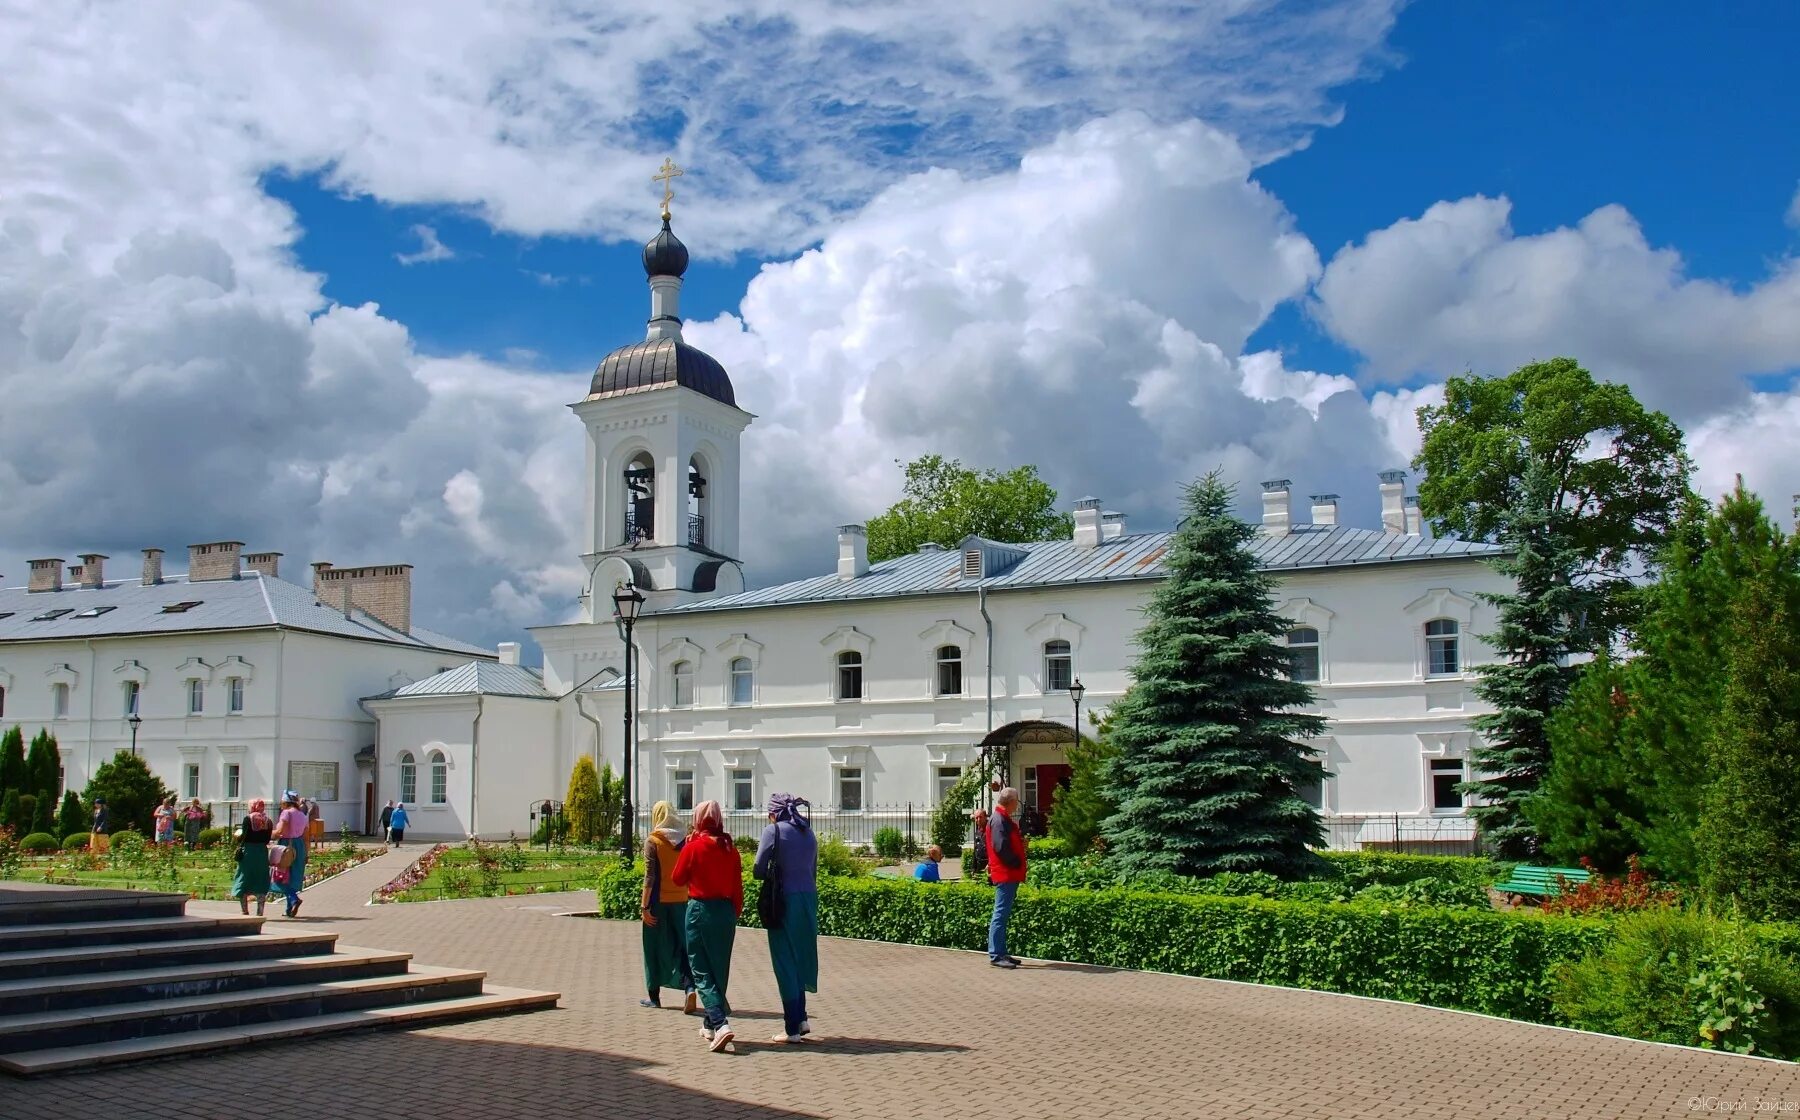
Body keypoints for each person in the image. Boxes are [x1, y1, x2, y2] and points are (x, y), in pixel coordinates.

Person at [672, 800, 743, 1053]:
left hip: (700, 909)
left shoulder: (695, 846)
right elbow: (738, 888)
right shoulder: (730, 848)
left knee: (700, 970)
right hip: (725, 912)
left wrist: (689, 846)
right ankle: (710, 1024)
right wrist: (731, 914)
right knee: (719, 969)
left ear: (698, 819)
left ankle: (721, 1024)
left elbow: (677, 877)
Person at [754, 793, 820, 1044]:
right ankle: (802, 1018)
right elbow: (813, 869)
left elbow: (759, 870)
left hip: (783, 901)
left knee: (784, 960)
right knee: (802, 955)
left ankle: (791, 1028)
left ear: (774, 813)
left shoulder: (774, 831)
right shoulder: (808, 831)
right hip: (807, 898)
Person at [639, 801, 697, 1013]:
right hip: (682, 900)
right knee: (682, 947)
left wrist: (644, 906)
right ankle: (689, 987)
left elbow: (650, 877)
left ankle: (654, 996)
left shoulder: (653, 841)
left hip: (657, 902)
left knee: (653, 947)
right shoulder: (685, 841)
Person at [985, 787, 1028, 969]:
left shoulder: (1001, 818)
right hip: (1006, 873)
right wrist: (1017, 862)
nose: (1017, 805)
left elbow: (1004, 843)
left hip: (1008, 873)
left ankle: (1001, 952)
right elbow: (1000, 847)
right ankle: (996, 954)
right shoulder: (999, 819)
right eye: (1016, 801)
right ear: (1010, 802)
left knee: (1002, 914)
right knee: (1000, 914)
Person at [231, 799, 274, 916]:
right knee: (261, 879)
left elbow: (244, 837)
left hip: (248, 852)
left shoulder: (248, 819)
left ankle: (244, 911)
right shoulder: (268, 821)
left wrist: (238, 838)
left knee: (244, 878)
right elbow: (267, 839)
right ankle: (260, 912)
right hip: (262, 852)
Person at [273, 795, 310, 918]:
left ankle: (294, 899)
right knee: (292, 877)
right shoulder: (303, 816)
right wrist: (306, 853)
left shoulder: (286, 813)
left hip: (286, 846)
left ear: (286, 802)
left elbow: (280, 832)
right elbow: (306, 837)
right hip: (299, 846)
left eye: (282, 802)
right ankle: (289, 909)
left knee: (280, 876)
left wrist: (266, 834)